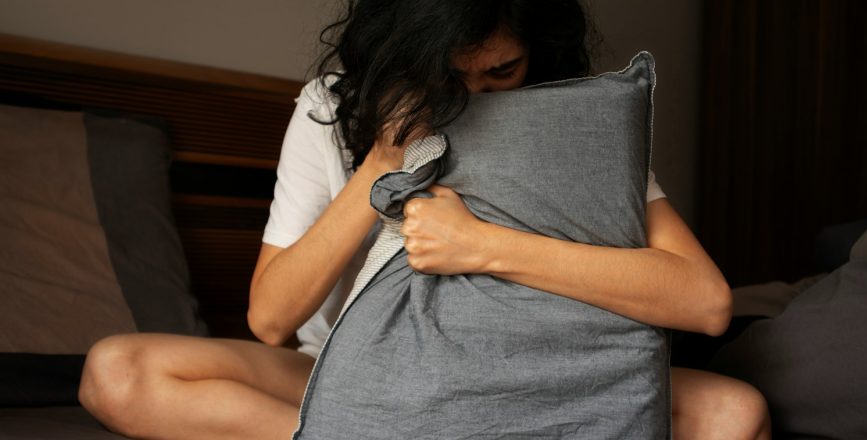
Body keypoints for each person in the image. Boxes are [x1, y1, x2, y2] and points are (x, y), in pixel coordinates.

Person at [79, 1, 770, 439]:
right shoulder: (331, 109)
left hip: (538, 375)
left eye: (501, 71)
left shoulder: (578, 126)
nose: (474, 97)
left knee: (736, 414)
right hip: (354, 373)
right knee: (117, 373)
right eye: (449, 75)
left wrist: (485, 247)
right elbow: (269, 320)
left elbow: (705, 303)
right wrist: (380, 163)